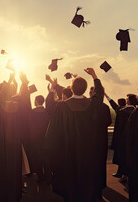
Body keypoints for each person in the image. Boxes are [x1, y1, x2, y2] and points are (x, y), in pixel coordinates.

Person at [44, 68, 104, 202]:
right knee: (87, 182)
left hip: (68, 153)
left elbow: (54, 131)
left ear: (71, 88)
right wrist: (94, 75)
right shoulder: (93, 104)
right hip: (88, 152)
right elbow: (99, 93)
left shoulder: (62, 107)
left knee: (70, 184)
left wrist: (53, 87)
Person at [0, 72, 31, 202]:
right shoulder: (19, 106)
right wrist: (24, 83)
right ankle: (13, 194)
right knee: (14, 170)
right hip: (14, 146)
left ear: (1, 93)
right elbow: (25, 100)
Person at [105, 93, 137, 179]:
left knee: (122, 157)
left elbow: (115, 106)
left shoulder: (122, 111)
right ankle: (125, 174)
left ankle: (122, 174)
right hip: (133, 139)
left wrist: (106, 95)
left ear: (129, 101)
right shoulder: (137, 111)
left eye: (127, 99)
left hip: (122, 138)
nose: (126, 100)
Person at [89, 86, 112, 200]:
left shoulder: (87, 106)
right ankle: (100, 184)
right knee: (100, 163)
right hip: (101, 138)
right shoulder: (105, 107)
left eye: (91, 92)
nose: (89, 93)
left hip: (89, 139)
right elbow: (109, 122)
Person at [26, 95, 50, 183]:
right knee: (46, 158)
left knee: (37, 157)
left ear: (36, 101)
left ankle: (41, 176)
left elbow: (29, 126)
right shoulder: (47, 112)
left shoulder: (32, 112)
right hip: (45, 137)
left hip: (35, 138)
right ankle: (48, 176)